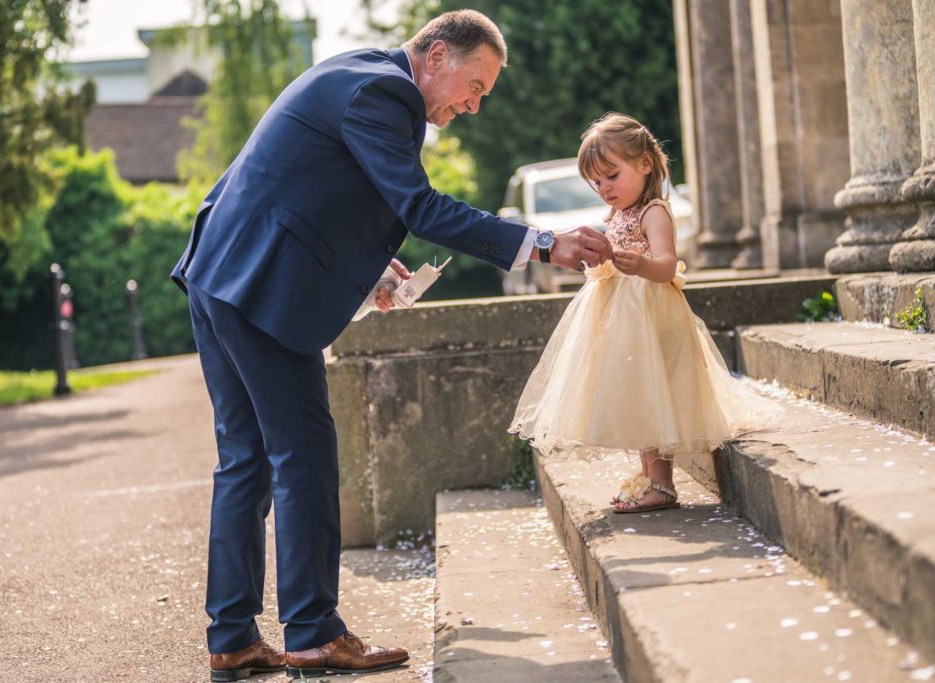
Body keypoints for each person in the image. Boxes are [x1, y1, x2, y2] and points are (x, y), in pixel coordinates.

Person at [171, 10, 614, 680]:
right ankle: (315, 632)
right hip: (258, 283)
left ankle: (232, 635)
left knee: (247, 459)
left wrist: (371, 271)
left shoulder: (363, 77)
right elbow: (422, 207)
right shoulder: (388, 93)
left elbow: (317, 190)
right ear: (436, 55)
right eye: (475, 84)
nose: (474, 103)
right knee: (304, 454)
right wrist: (544, 242)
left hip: (222, 269)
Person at [509, 112, 778, 514]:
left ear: (645, 164)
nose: (604, 188)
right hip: (620, 316)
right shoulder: (615, 217)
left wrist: (639, 264)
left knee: (655, 390)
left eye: (611, 176)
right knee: (636, 393)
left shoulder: (654, 211)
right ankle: (650, 478)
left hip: (651, 313)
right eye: (596, 182)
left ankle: (662, 484)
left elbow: (667, 265)